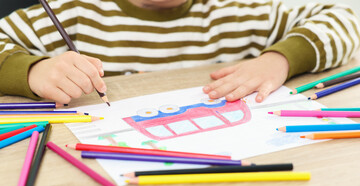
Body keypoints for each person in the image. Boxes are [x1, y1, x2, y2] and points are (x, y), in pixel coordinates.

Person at [0, 0, 359, 104]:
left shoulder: (242, 11)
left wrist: (279, 60)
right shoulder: (71, 12)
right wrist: (33, 71)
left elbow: (344, 18)